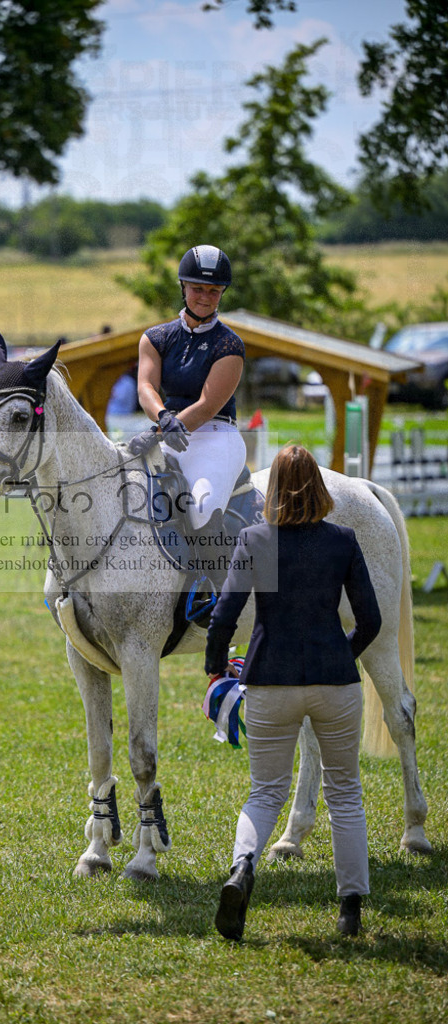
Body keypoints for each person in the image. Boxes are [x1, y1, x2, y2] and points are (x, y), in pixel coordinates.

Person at [204, 444, 382, 940]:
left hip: (270, 682)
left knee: (264, 793)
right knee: (344, 795)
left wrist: (215, 666)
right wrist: (344, 653)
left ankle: (242, 870)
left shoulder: (254, 539)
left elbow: (223, 616)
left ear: (275, 489)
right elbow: (371, 620)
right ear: (320, 487)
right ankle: (349, 911)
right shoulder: (344, 540)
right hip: (335, 681)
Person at [127, 245, 246, 548]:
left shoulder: (229, 345)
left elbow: (207, 406)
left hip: (215, 437)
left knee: (201, 510)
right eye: (197, 289)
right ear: (183, 287)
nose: (205, 297)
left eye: (214, 291)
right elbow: (146, 388)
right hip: (168, 433)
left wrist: (158, 430)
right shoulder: (156, 338)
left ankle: (216, 589)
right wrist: (164, 419)